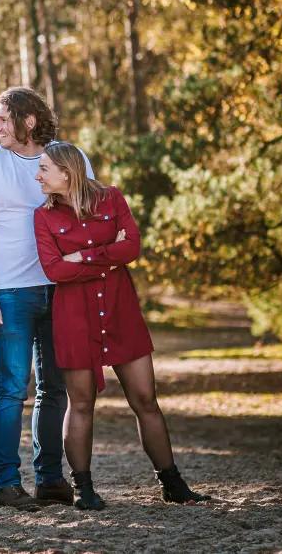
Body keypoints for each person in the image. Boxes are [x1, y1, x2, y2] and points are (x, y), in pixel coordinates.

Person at [32, 142, 211, 510]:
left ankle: (173, 484)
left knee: (146, 399)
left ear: (68, 171)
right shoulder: (43, 216)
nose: (38, 175)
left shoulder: (111, 198)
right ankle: (84, 490)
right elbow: (54, 270)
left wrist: (82, 255)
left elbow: (131, 248)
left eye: (45, 169)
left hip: (120, 311)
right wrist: (107, 257)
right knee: (81, 403)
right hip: (74, 318)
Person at [0, 87, 90, 509]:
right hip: (9, 292)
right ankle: (7, 484)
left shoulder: (69, 158)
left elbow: (86, 218)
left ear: (28, 121)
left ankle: (50, 479)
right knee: (12, 388)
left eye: (3, 118)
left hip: (63, 290)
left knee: (54, 388)